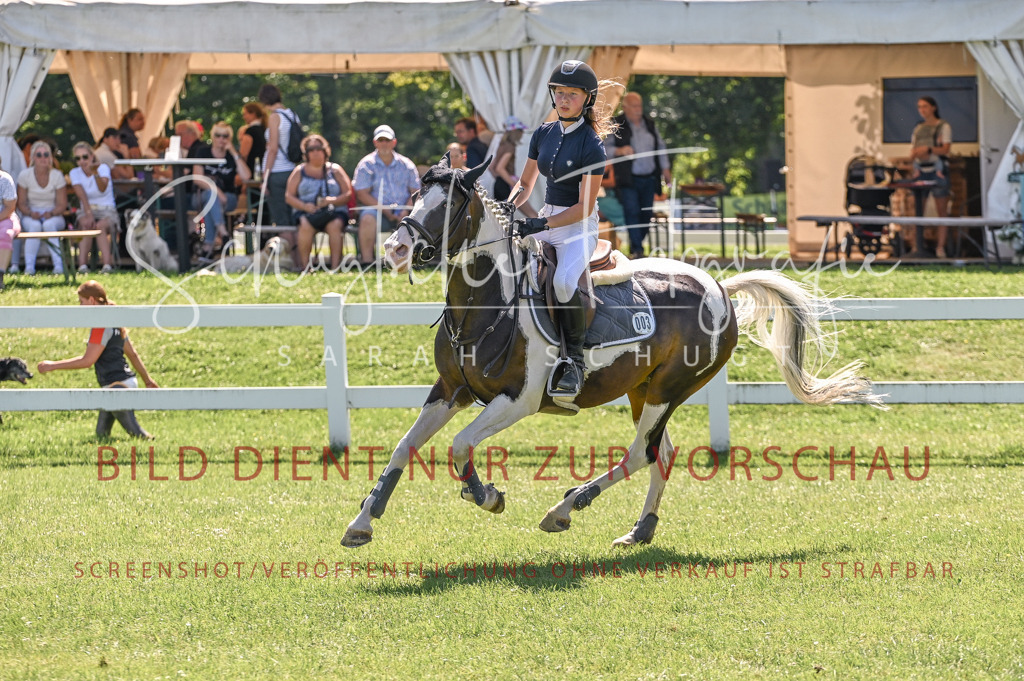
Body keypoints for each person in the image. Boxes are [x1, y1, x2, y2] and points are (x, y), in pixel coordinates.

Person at [511, 59, 611, 397]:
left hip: (578, 227)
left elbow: (584, 208)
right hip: (547, 216)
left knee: (564, 281)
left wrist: (542, 223)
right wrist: (509, 206)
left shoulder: (591, 145)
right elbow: (525, 183)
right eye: (559, 92)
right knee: (509, 263)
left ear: (587, 98)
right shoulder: (543, 133)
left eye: (572, 94)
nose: (564, 99)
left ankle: (574, 361)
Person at [37, 280, 157, 439]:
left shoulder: (100, 326)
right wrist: (147, 380)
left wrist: (53, 365)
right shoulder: (115, 322)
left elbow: (87, 361)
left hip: (117, 385)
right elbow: (133, 354)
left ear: (92, 300)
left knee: (138, 435)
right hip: (125, 382)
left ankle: (150, 441)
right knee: (101, 435)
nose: (80, 306)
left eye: (81, 302)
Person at [608, 92, 673, 259]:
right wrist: (619, 150)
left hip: (649, 178)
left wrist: (666, 169)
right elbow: (603, 149)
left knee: (646, 213)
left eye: (640, 105)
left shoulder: (649, 124)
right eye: (634, 106)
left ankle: (636, 244)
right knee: (632, 211)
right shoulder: (616, 124)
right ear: (625, 107)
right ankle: (638, 250)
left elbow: (661, 147)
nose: (638, 109)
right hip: (628, 179)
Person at [352, 124, 420, 268]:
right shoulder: (366, 164)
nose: (384, 143)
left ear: (394, 142)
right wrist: (384, 210)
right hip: (376, 211)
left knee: (417, 218)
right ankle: (367, 262)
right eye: (381, 140)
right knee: (367, 218)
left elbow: (416, 191)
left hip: (404, 211)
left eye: (387, 140)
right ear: (375, 142)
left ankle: (409, 261)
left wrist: (405, 210)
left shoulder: (406, 164)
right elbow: (362, 193)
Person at [285, 134, 352, 271]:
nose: (315, 152)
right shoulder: (299, 171)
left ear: (325, 150)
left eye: (318, 148)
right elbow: (289, 196)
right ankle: (305, 268)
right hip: (307, 213)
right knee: (305, 225)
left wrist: (331, 201)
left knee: (335, 226)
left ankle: (335, 267)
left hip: (333, 212)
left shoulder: (335, 170)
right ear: (306, 153)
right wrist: (305, 206)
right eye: (311, 149)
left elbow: (348, 193)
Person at [191, 121, 251, 260]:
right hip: (201, 197)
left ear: (230, 138)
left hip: (228, 199)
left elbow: (246, 176)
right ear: (213, 136)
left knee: (211, 203)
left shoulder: (232, 155)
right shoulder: (203, 152)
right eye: (218, 135)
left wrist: (234, 153)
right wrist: (217, 191)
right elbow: (197, 178)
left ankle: (208, 248)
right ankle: (223, 233)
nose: (221, 139)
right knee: (211, 196)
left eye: (225, 136)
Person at [909, 96, 953, 258]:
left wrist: (928, 149)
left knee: (942, 210)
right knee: (917, 209)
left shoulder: (943, 126)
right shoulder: (918, 128)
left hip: (937, 169)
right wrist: (915, 156)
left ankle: (940, 247)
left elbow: (945, 149)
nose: (922, 110)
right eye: (920, 107)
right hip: (921, 168)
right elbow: (913, 149)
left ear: (933, 107)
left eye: (925, 106)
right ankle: (917, 245)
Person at [16, 140, 67, 276]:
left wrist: (51, 213)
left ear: (50, 157)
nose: (43, 158)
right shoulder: (24, 175)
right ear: (33, 157)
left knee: (49, 225)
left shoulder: (57, 175)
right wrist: (31, 213)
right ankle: (29, 268)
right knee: (34, 226)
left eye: (46, 154)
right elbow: (21, 203)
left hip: (54, 214)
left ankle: (58, 266)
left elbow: (62, 204)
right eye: (39, 155)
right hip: (30, 214)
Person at [68, 142, 116, 274]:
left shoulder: (103, 168)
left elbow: (102, 188)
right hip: (86, 209)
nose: (82, 161)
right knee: (86, 225)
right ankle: (82, 266)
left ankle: (107, 266)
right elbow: (82, 196)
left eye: (85, 157)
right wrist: (89, 214)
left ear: (92, 156)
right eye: (78, 158)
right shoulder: (74, 173)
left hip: (107, 210)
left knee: (100, 226)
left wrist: (95, 173)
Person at [258, 84, 300, 228]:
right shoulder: (292, 115)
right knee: (293, 218)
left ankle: (285, 243)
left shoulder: (274, 117)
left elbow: (273, 149)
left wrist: (265, 177)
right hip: (292, 170)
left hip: (277, 172)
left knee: (281, 220)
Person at [489, 116, 527, 201]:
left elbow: (491, 167)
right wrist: (514, 184)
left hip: (498, 185)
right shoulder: (510, 147)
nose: (522, 133)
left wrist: (499, 180)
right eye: (520, 130)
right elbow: (499, 168)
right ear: (514, 131)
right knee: (520, 206)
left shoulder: (502, 145)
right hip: (506, 187)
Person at [0, 154, 20, 291]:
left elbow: (10, 207)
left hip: (5, 217)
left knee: (5, 234)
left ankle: (0, 275)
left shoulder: (5, 179)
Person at [239, 101, 268, 175]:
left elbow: (243, 154)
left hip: (252, 170)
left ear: (253, 114)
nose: (243, 117)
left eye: (245, 114)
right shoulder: (265, 129)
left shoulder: (251, 131)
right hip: (264, 169)